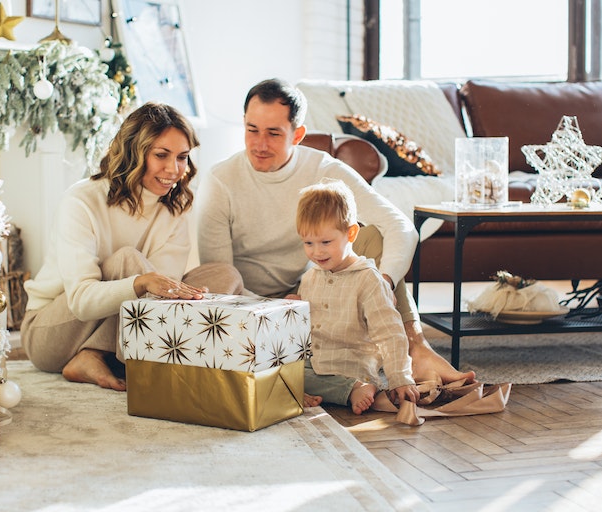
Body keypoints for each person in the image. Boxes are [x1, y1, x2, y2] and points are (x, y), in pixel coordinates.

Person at [196, 78, 474, 413]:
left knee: (375, 237)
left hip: (314, 288)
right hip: (255, 307)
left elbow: (399, 226)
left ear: (297, 135)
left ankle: (416, 348)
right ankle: (336, 377)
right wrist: (279, 313)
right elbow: (221, 281)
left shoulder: (322, 169)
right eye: (252, 130)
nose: (259, 144)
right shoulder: (220, 180)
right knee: (223, 281)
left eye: (274, 133)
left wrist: (383, 285)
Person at [20, 102, 243, 391]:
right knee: (128, 262)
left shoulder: (175, 206)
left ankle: (98, 355)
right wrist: (139, 282)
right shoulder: (82, 200)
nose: (174, 169)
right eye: (161, 155)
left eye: (182, 157)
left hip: (122, 330)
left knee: (224, 275)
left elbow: (163, 298)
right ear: (133, 152)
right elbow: (81, 301)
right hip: (53, 332)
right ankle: (142, 364)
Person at [295, 179, 420, 410]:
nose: (317, 251)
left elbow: (390, 333)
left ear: (351, 233)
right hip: (315, 363)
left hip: (350, 365)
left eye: (325, 242)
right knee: (274, 372)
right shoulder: (310, 277)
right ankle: (306, 388)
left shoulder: (369, 280)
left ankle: (354, 389)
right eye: (308, 243)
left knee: (294, 381)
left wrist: (399, 378)